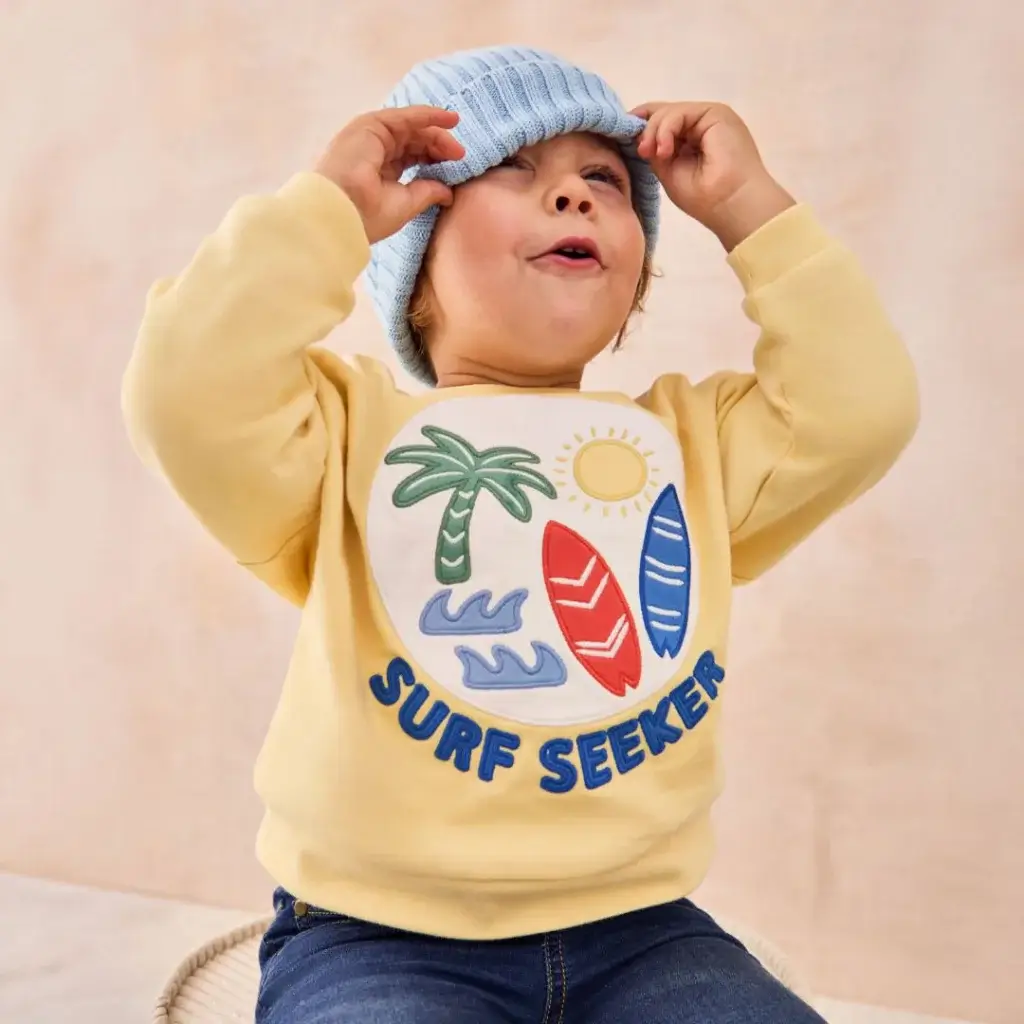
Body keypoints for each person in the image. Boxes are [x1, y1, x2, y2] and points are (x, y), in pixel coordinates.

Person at [122, 45, 918, 1024]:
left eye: (603, 180)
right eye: (513, 169)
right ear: (413, 250)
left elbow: (862, 407)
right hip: (378, 936)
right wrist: (323, 214)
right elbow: (187, 388)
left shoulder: (692, 446)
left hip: (643, 929)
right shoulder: (340, 438)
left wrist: (754, 212)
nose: (575, 197)